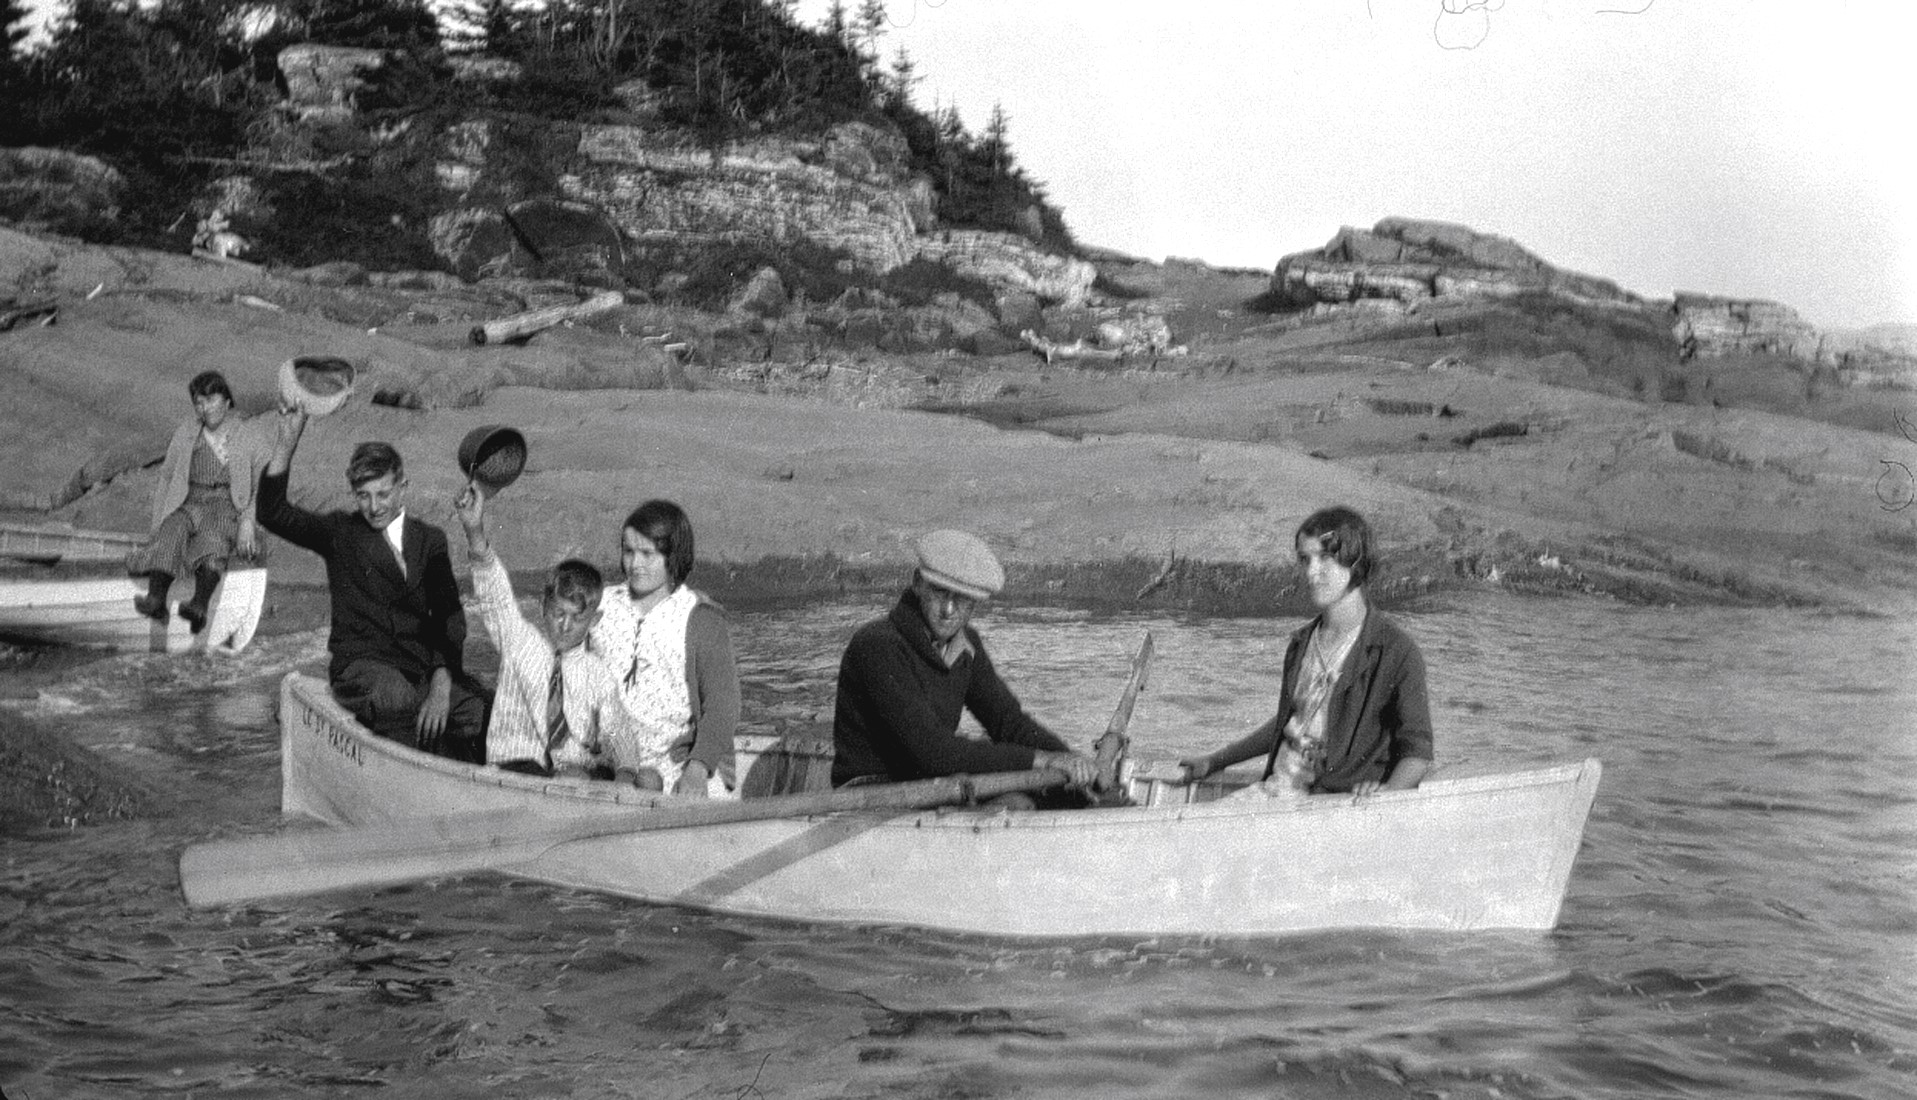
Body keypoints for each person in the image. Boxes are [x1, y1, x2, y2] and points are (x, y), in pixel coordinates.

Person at [257, 408, 489, 762]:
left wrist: (441, 683)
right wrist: (286, 442)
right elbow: (272, 512)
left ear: (402, 488)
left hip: (420, 670)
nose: (374, 506)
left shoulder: (430, 540)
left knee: (482, 710)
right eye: (363, 495)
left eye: (383, 493)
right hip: (362, 670)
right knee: (396, 699)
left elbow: (450, 617)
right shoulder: (340, 534)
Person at [1179, 506, 1433, 797]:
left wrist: (1386, 793)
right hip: (1275, 794)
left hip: (1332, 809)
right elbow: (1291, 722)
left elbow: (1418, 753)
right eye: (1304, 559)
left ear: (1356, 561)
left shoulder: (1395, 651)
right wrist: (1215, 761)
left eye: (1325, 557)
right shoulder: (1301, 642)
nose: (1312, 572)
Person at [830, 529, 1098, 804]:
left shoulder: (967, 646)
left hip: (931, 785)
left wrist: (1071, 759)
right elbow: (934, 753)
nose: (948, 610)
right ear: (918, 583)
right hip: (868, 793)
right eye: (939, 592)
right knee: (1015, 804)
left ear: (975, 602)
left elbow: (1008, 723)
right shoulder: (878, 646)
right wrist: (1042, 760)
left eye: (962, 599)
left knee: (1065, 798)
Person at [453, 484, 652, 782]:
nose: (565, 626)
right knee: (574, 778)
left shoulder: (596, 674)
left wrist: (625, 771)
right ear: (544, 607)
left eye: (577, 618)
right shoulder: (521, 642)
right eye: (559, 613)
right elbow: (495, 596)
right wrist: (475, 531)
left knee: (647, 779)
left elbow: (616, 730)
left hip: (573, 770)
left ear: (594, 620)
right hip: (517, 766)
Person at [588, 500, 739, 797]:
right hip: (608, 762)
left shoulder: (700, 618)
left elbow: (723, 706)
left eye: (648, 553)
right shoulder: (601, 605)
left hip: (675, 766)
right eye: (628, 551)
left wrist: (697, 771)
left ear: (673, 556)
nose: (635, 564)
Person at [128, 371, 269, 632]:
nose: (205, 407)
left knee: (213, 539)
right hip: (189, 500)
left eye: (211, 399)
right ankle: (156, 598)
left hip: (226, 506)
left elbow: (264, 485)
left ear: (227, 402)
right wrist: (157, 522)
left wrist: (248, 523)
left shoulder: (249, 435)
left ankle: (199, 605)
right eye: (199, 402)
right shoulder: (186, 432)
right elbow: (167, 477)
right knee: (172, 529)